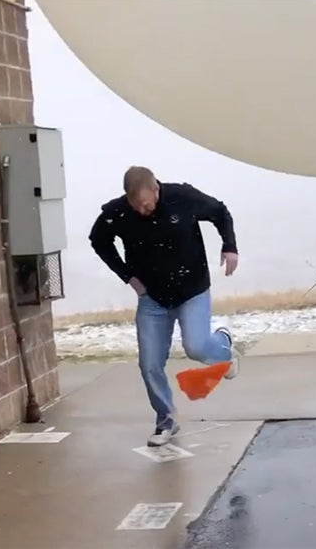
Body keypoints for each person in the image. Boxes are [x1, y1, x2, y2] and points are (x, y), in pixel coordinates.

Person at [90, 166, 241, 447]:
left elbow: (220, 211)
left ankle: (223, 348)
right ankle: (166, 420)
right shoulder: (118, 212)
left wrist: (229, 246)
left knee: (195, 347)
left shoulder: (182, 196)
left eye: (147, 204)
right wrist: (128, 276)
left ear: (156, 190)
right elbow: (98, 240)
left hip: (192, 290)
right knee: (149, 363)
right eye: (137, 206)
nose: (143, 210)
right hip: (152, 299)